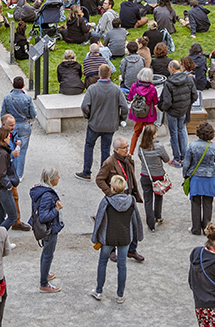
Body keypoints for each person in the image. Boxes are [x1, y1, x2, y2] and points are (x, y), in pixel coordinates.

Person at [90, 173, 142, 304]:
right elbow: (135, 221)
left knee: (103, 262)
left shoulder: (106, 201)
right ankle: (120, 295)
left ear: (112, 187)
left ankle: (99, 290)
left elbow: (99, 220)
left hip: (108, 236)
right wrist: (138, 235)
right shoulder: (131, 200)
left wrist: (95, 237)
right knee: (122, 265)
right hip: (124, 237)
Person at [95, 135, 146, 263]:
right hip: (115, 199)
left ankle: (132, 250)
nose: (127, 149)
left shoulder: (128, 159)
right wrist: (109, 193)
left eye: (127, 146)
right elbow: (99, 179)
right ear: (116, 150)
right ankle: (112, 251)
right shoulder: (109, 162)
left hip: (128, 198)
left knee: (134, 225)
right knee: (114, 226)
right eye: (124, 148)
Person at [76, 64, 128, 180]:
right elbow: (125, 107)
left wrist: (88, 116)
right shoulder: (116, 89)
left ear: (99, 74)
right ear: (110, 74)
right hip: (110, 125)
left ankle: (86, 171)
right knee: (106, 148)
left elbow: (85, 106)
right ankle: (104, 173)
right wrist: (121, 119)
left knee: (89, 146)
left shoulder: (92, 89)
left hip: (94, 124)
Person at [185, 121, 215, 236]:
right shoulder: (214, 147)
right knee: (208, 203)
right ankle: (207, 228)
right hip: (210, 177)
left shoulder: (192, 146)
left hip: (196, 177)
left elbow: (186, 163)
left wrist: (185, 176)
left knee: (195, 203)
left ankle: (196, 228)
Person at [31, 167, 64, 293]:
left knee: (46, 253)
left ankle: (45, 274)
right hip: (50, 229)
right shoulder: (47, 195)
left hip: (45, 229)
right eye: (57, 176)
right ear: (51, 179)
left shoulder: (40, 189)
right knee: (48, 254)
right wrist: (56, 209)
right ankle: (44, 283)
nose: (59, 178)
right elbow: (44, 216)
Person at [159, 59, 196, 165]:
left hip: (172, 112)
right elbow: (194, 95)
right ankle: (184, 156)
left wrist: (161, 108)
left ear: (171, 68)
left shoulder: (169, 83)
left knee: (174, 133)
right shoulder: (189, 79)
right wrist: (186, 104)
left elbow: (167, 101)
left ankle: (177, 157)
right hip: (183, 110)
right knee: (181, 131)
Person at [137, 124, 169, 233]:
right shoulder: (159, 147)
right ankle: (157, 216)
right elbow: (166, 159)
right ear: (153, 136)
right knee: (158, 196)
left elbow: (141, 158)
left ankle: (150, 224)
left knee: (148, 200)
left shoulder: (141, 148)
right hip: (158, 176)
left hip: (145, 175)